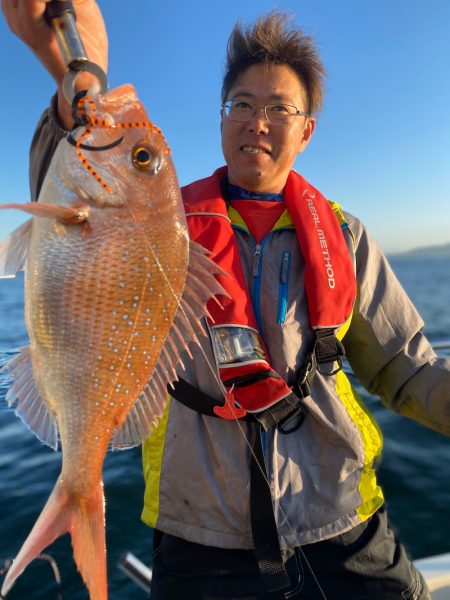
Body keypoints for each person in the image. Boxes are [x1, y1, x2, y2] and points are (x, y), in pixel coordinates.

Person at [3, 2, 449, 599]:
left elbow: (406, 368)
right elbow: (71, 185)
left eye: (278, 109)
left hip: (345, 525)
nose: (257, 122)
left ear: (306, 128)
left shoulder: (345, 235)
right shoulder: (159, 224)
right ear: (220, 120)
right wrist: (75, 74)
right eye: (241, 104)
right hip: (199, 543)